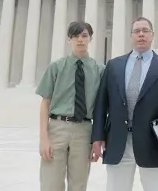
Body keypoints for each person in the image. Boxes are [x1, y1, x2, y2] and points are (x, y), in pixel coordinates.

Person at [91, 16, 158, 191]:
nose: (141, 34)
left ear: (152, 35)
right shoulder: (113, 66)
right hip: (118, 141)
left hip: (154, 141)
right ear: (131, 36)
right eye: (137, 31)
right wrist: (97, 136)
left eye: (145, 31)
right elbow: (101, 103)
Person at [36, 21, 105, 191]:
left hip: (84, 130)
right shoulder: (56, 67)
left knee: (79, 184)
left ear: (90, 38)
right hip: (57, 128)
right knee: (50, 184)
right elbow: (45, 103)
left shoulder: (100, 70)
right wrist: (44, 138)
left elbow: (102, 108)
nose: (80, 40)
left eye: (84, 36)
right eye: (75, 36)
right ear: (69, 39)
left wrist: (97, 139)